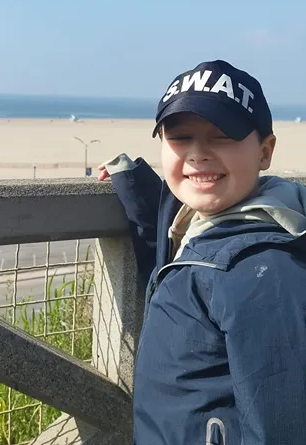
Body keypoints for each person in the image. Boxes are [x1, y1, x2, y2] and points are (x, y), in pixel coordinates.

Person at [98, 59, 306, 445]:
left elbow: (283, 421)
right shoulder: (215, 226)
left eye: (222, 136)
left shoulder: (262, 270)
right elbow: (173, 245)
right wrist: (133, 181)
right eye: (179, 138)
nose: (197, 154)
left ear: (265, 151)